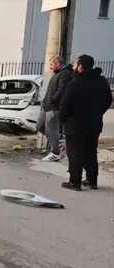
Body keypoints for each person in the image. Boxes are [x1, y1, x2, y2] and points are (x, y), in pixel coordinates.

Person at [58, 55, 112, 191]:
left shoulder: (75, 83)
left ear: (81, 66)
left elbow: (65, 104)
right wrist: (97, 113)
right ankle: (92, 180)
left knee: (75, 153)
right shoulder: (102, 82)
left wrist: (63, 119)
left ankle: (75, 182)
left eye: (76, 65)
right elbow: (108, 100)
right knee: (90, 152)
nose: (74, 67)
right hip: (94, 123)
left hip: (75, 124)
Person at [37, 56, 73, 162]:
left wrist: (53, 100)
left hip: (54, 106)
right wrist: (45, 102)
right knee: (39, 126)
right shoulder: (58, 73)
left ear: (57, 63)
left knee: (50, 129)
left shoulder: (65, 73)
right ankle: (59, 139)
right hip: (47, 105)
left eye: (52, 64)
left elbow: (62, 89)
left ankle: (55, 152)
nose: (51, 67)